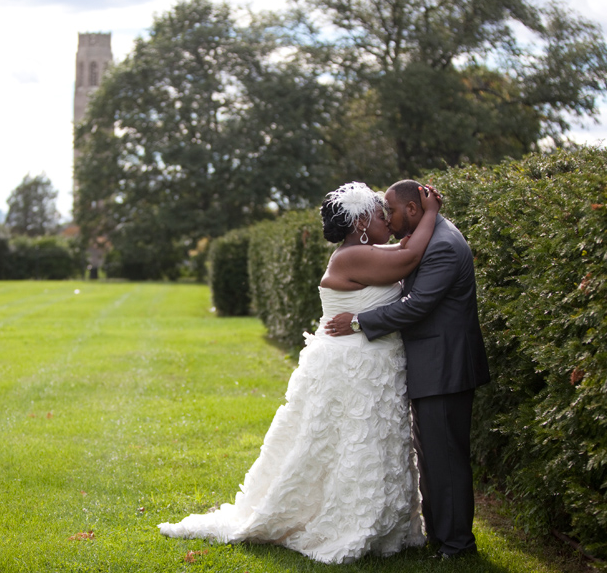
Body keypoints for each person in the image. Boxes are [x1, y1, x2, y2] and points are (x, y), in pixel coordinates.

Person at [158, 181, 441, 564]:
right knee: (348, 443)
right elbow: (408, 259)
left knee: (368, 441)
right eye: (379, 215)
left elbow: (406, 250)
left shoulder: (365, 251)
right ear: (360, 223)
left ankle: (383, 523)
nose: (387, 221)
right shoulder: (350, 257)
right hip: (352, 367)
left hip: (373, 364)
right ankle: (346, 520)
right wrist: (433, 214)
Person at [324, 179, 491, 560]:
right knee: (433, 455)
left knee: (445, 457)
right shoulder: (427, 237)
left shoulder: (444, 245)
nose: (388, 217)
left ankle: (458, 545)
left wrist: (358, 322)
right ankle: (442, 537)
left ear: (413, 210)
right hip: (431, 365)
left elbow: (417, 305)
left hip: (444, 366)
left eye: (393, 211)